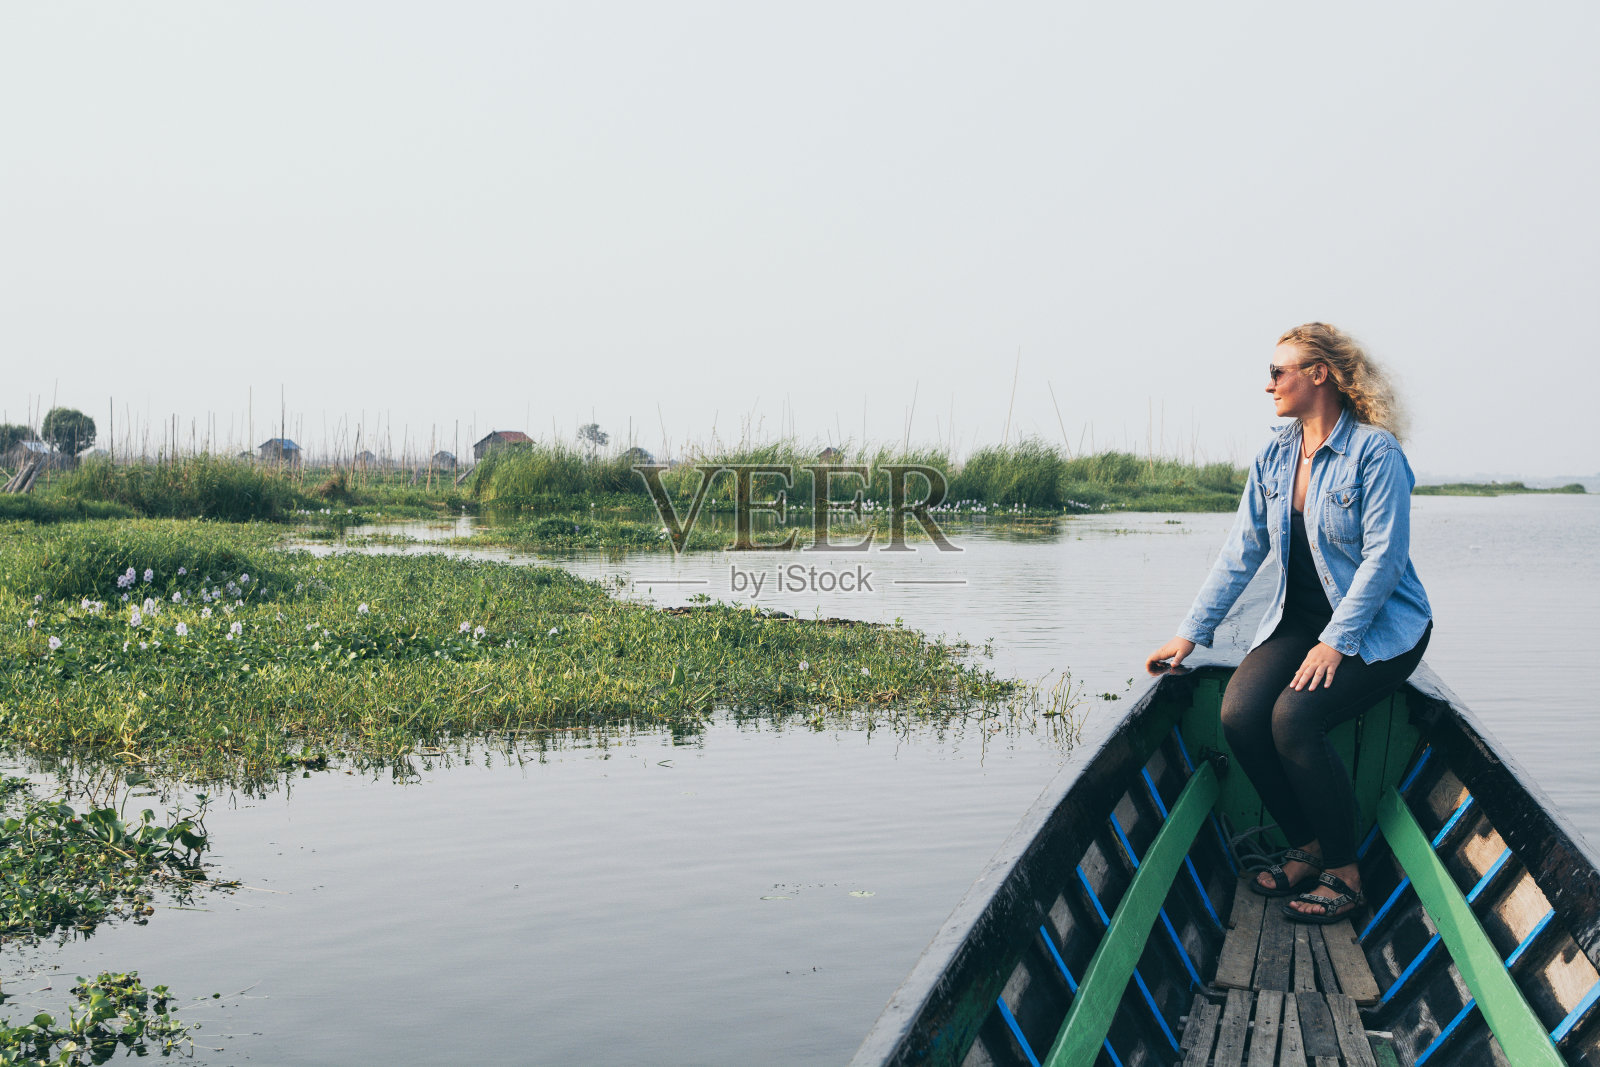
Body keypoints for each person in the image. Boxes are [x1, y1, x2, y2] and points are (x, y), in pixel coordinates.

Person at [1145, 323, 1433, 924]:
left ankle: (1346, 871)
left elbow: (1383, 561)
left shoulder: (1375, 452)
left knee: (1294, 717)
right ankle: (1307, 845)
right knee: (1240, 715)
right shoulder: (1275, 454)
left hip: (1379, 625)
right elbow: (1241, 550)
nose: (1269, 383)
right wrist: (1190, 632)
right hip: (1300, 619)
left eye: (1280, 371)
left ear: (1319, 374)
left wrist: (1336, 642)